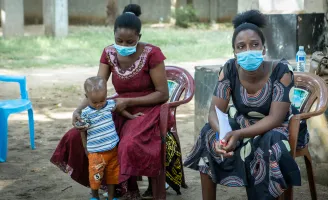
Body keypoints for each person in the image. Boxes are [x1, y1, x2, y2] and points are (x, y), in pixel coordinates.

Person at [51, 4, 184, 200]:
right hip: (116, 106)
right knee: (76, 135)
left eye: (130, 41)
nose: (124, 45)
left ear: (139, 37)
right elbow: (96, 87)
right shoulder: (108, 53)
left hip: (147, 108)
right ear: (113, 36)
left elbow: (162, 94)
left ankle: (125, 189)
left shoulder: (152, 53)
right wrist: (78, 110)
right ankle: (105, 185)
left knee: (128, 144)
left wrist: (128, 102)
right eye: (118, 40)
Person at [184, 10, 303, 200]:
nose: (248, 51)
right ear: (235, 52)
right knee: (208, 133)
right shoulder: (230, 69)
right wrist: (223, 135)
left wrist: (238, 134)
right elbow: (215, 112)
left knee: (271, 142)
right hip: (242, 124)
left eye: (254, 45)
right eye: (241, 46)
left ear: (263, 49)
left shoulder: (281, 70)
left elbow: (275, 118)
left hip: (277, 127)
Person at [78, 76, 142, 200]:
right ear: (87, 97)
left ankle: (112, 197)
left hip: (113, 149)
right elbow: (82, 130)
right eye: (94, 102)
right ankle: (95, 196)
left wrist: (132, 117)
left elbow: (121, 111)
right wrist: (85, 147)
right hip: (96, 152)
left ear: (106, 95)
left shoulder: (109, 104)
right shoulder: (85, 113)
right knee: (95, 175)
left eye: (102, 101)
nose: (98, 105)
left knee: (113, 175)